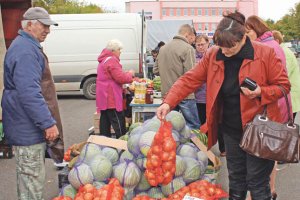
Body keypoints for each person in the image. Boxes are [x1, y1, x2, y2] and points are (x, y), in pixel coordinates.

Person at [156, 11, 290, 200]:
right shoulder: (213, 54)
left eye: (230, 48)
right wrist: (168, 102)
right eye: (221, 47)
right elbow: (190, 79)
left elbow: (283, 85)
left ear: (243, 38)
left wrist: (261, 92)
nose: (225, 52)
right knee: (236, 179)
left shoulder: (265, 53)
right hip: (231, 129)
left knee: (257, 182)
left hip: (261, 130)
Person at [1, 7, 64, 200]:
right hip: (27, 129)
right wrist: (47, 123)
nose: (48, 30)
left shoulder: (25, 46)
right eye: (44, 25)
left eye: (49, 26)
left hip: (25, 126)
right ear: (29, 25)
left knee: (29, 181)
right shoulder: (26, 50)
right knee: (31, 183)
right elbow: (29, 92)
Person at [245, 16, 293, 200]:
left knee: (264, 153)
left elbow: (279, 81)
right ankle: (270, 189)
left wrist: (258, 90)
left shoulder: (268, 47)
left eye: (248, 31)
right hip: (273, 103)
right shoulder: (270, 44)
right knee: (268, 153)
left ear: (256, 29)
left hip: (270, 104)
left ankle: (264, 191)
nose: (246, 35)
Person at [153, 24, 200, 130]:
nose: (193, 41)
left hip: (167, 95)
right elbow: (192, 74)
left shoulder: (163, 48)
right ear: (188, 35)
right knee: (193, 126)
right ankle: (194, 147)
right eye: (193, 38)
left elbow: (155, 70)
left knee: (170, 127)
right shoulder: (188, 49)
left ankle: (173, 146)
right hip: (185, 95)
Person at [96, 39, 135, 139]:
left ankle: (104, 143)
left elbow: (114, 75)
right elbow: (121, 78)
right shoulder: (112, 60)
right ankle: (122, 143)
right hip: (111, 97)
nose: (120, 51)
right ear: (113, 50)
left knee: (105, 121)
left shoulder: (104, 60)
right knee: (118, 121)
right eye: (119, 49)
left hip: (104, 97)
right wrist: (130, 74)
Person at [273, 30, 300, 119]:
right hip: (289, 95)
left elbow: (283, 74)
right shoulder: (283, 50)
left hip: (291, 96)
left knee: (287, 129)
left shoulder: (284, 52)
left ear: (276, 41)